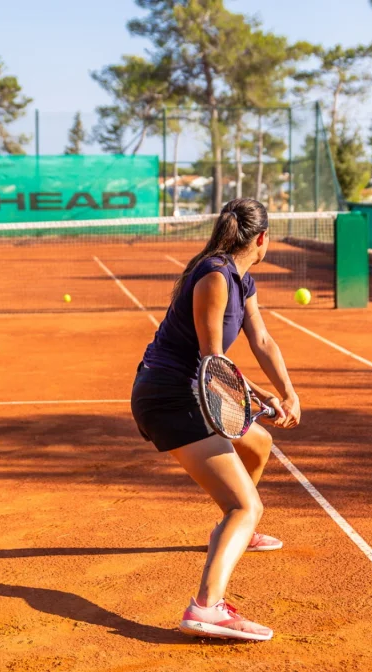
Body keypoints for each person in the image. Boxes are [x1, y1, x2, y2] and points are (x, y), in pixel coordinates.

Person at [130, 198, 301, 642]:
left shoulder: (243, 279)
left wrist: (288, 392)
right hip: (170, 397)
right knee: (247, 506)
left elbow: (262, 339)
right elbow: (213, 361)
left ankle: (235, 527)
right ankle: (207, 607)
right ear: (262, 238)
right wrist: (260, 396)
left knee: (258, 444)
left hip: (189, 390)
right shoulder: (214, 276)